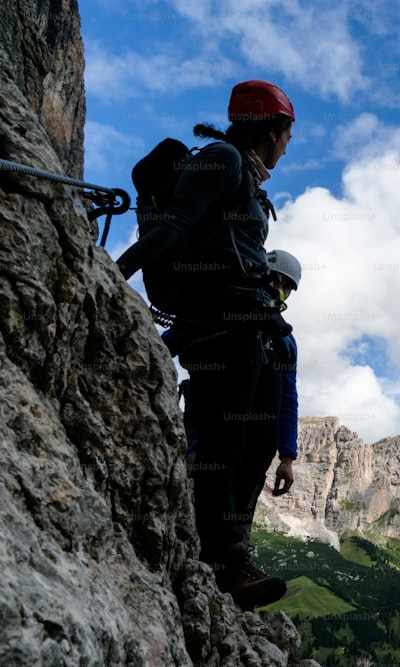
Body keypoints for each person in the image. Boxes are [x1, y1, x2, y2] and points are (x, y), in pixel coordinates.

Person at [116, 80, 295, 610]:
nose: (288, 145)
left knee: (255, 448)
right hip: (220, 326)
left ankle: (234, 548)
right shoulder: (220, 159)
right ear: (271, 129)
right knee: (221, 446)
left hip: (251, 327)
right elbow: (174, 225)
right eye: (287, 133)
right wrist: (109, 274)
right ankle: (225, 560)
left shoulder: (247, 177)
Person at [232, 249, 302, 549]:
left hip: (256, 442)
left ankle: (235, 562)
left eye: (287, 286)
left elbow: (288, 399)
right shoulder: (231, 309)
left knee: (243, 499)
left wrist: (287, 457)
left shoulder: (285, 340)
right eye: (278, 281)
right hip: (214, 428)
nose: (281, 290)